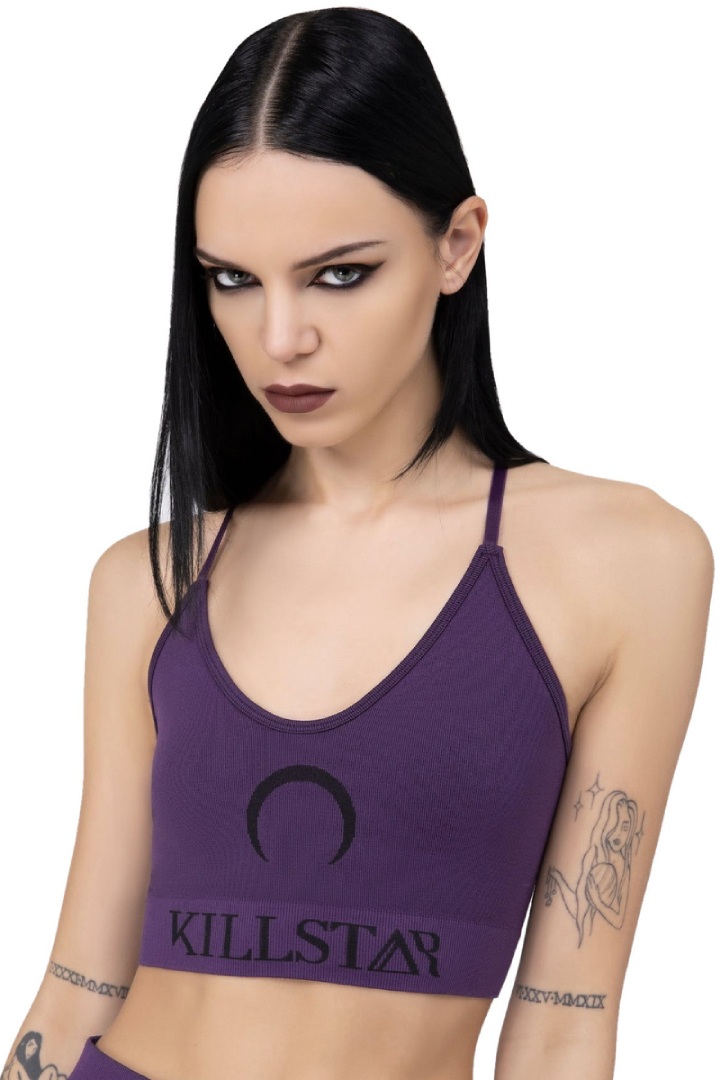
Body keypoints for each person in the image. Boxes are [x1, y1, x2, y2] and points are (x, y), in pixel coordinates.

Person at [2, 7, 713, 1080]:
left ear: (456, 244)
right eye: (233, 278)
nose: (279, 337)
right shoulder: (151, 580)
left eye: (338, 273)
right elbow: (77, 985)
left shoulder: (630, 563)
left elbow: (566, 1020)